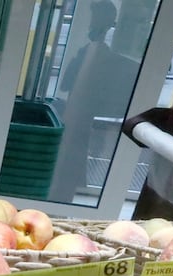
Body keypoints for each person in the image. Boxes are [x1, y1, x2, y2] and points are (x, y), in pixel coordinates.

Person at [48, 0, 139, 203]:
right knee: (66, 166)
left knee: (67, 166)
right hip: (76, 119)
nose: (92, 24)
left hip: (78, 121)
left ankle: (60, 203)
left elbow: (67, 84)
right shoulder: (95, 51)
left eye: (96, 19)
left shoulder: (98, 53)